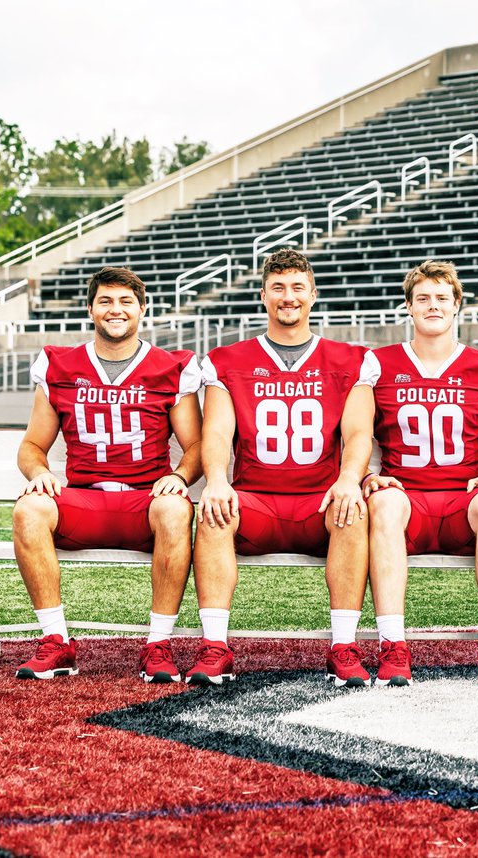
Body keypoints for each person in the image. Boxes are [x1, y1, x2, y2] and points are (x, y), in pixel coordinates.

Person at [189, 248, 375, 687]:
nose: (287, 297)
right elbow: (215, 433)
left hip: (320, 500)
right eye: (277, 288)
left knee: (353, 509)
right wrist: (216, 480)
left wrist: (350, 479)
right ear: (263, 295)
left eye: (296, 288)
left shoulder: (350, 359)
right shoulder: (228, 360)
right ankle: (215, 646)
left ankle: (343, 646)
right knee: (214, 511)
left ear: (312, 295)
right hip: (254, 500)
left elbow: (358, 433)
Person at [13, 266, 202, 682]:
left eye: (125, 301)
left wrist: (182, 476)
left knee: (175, 510)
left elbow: (196, 446)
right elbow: (31, 446)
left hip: (144, 501)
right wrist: (39, 472)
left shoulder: (170, 367)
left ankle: (158, 644)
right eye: (106, 301)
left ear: (142, 309)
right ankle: (56, 641)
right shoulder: (60, 365)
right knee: (28, 511)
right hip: (84, 498)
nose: (115, 310)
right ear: (91, 309)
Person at [364, 260, 478, 687]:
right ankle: (392, 644)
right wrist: (368, 475)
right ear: (408, 307)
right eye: (423, 299)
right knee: (385, 502)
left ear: (457, 307)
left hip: (462, 502)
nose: (433, 306)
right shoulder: (377, 364)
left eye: (442, 299)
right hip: (406, 496)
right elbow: (356, 435)